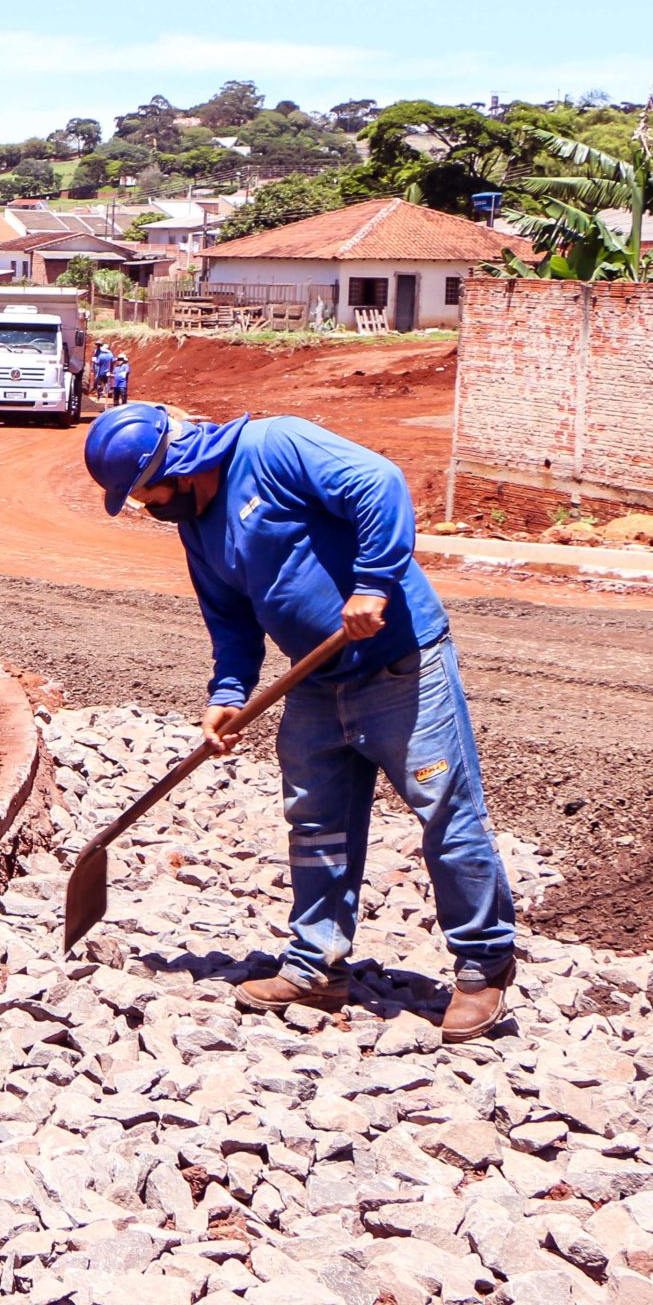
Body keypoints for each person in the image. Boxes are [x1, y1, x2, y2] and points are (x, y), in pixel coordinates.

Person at [80, 402, 518, 1041]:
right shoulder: (195, 525)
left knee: (444, 813)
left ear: (173, 466)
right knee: (315, 821)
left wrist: (372, 584)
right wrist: (229, 692)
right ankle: (318, 965)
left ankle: (484, 965)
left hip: (401, 666)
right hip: (316, 682)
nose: (145, 505)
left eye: (144, 491)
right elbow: (227, 615)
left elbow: (380, 484)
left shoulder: (273, 446)